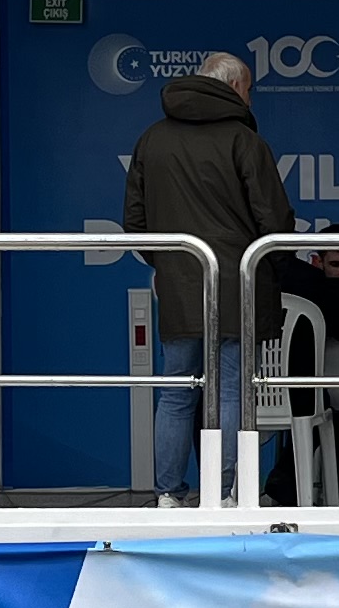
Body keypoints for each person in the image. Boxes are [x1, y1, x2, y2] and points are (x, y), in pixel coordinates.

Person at [123, 48, 297, 505]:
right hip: (239, 286)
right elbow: (275, 222)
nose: (251, 101)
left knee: (177, 392)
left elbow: (135, 221)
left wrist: (168, 265)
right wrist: (269, 269)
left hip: (180, 287)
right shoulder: (244, 141)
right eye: (250, 90)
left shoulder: (151, 139)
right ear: (236, 87)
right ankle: (218, 496)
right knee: (232, 391)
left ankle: (168, 495)